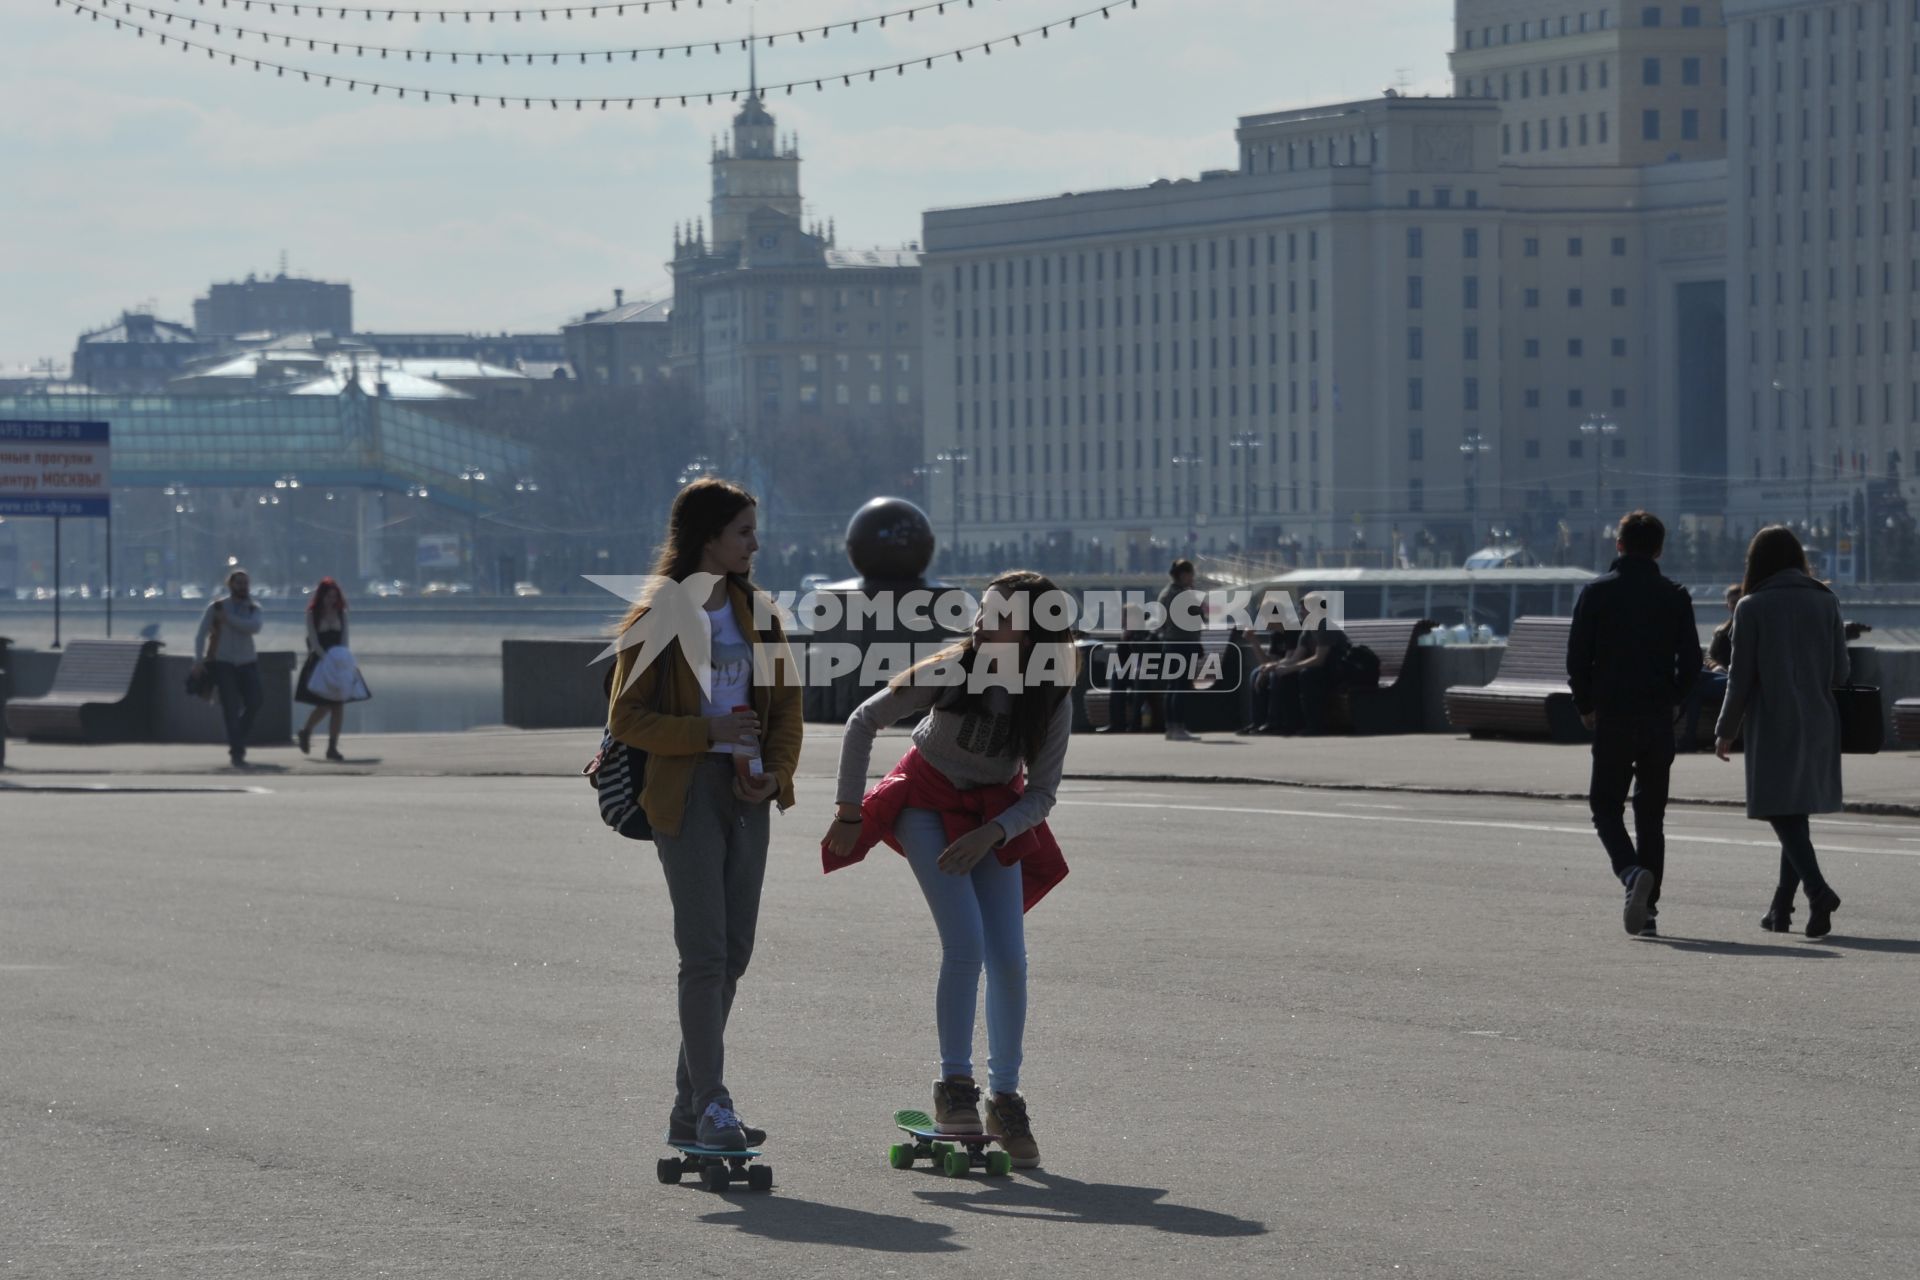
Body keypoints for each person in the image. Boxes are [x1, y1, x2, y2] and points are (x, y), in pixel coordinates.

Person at [822, 570, 1076, 1169]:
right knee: (965, 947)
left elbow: (1041, 793)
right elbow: (863, 721)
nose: (987, 624)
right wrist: (849, 811)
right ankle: (954, 1089)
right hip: (925, 800)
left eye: (1004, 617)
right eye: (985, 612)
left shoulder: (1051, 690)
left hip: (994, 812)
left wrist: (994, 832)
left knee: (1010, 957)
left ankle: (1004, 1098)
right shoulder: (951, 668)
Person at [606, 478, 803, 1152]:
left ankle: (690, 1107)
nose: (755, 543)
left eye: (753, 530)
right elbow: (627, 718)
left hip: (749, 793)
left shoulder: (761, 613)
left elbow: (787, 710)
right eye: (743, 531)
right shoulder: (658, 616)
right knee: (704, 955)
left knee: (735, 952)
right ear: (708, 537)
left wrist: (776, 773)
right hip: (686, 792)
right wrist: (710, 731)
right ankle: (713, 1103)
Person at [1567, 511, 1702, 938]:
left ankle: (1630, 876)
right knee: (1651, 815)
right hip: (1658, 717)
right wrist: (1676, 698)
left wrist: (1585, 703)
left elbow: (1577, 658)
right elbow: (1693, 662)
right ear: (1659, 549)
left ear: (1618, 544)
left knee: (1605, 806)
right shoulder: (1675, 595)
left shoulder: (1596, 593)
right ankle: (1648, 912)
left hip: (1613, 715)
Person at [1713, 525, 1851, 938]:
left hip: (1774, 721)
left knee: (1778, 809)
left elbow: (1739, 680)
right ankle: (1782, 909)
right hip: (1820, 720)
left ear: (1756, 563)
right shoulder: (1826, 601)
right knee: (1796, 813)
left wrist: (1725, 730)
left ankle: (1818, 890)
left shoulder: (1751, 606)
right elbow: (1841, 672)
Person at [192, 567, 266, 768]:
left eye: (245, 583)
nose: (243, 587)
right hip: (224, 664)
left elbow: (254, 627)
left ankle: (237, 736)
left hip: (247, 662)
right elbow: (200, 635)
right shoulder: (216, 608)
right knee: (230, 708)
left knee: (255, 701)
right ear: (230, 585)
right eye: (239, 583)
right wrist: (198, 661)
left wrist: (229, 620)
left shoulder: (253, 608)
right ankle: (237, 751)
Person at [1269, 593, 1350, 736]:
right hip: (1320, 670)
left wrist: (1290, 668)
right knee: (1283, 675)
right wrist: (1275, 667)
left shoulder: (1325, 626)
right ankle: (1290, 724)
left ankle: (1315, 725)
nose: (1300, 612)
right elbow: (1295, 658)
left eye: (1303, 609)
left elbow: (1319, 659)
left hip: (1338, 672)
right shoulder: (1307, 630)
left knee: (1307, 675)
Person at [1677, 584, 1740, 751]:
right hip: (1721, 676)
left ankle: (1688, 739)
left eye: (1738, 601)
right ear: (1727, 605)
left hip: (1738, 679)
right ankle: (1689, 738)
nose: (1735, 605)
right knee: (1696, 683)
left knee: (1695, 682)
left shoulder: (1748, 626)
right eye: (1732, 602)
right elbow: (1708, 656)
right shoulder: (1720, 631)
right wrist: (1716, 666)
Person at [295, 576, 351, 762]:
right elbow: (314, 641)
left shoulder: (342, 613)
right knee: (326, 704)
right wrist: (326, 659)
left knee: (338, 704)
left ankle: (332, 747)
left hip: (338, 660)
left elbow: (344, 639)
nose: (332, 600)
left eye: (335, 597)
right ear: (321, 597)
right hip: (319, 659)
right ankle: (306, 731)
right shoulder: (312, 614)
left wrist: (340, 659)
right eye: (328, 597)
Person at [1154, 559, 1206, 741]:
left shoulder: (1166, 593)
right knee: (1181, 686)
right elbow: (1198, 617)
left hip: (1170, 643)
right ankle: (1178, 727)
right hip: (1183, 644)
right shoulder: (1182, 595)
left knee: (1172, 686)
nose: (1193, 578)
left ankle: (1171, 727)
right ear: (1183, 575)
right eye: (1191, 574)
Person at [1238, 621, 1303, 735]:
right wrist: (1253, 640)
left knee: (1274, 675)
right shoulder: (1275, 634)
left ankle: (1273, 722)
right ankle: (1257, 722)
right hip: (1280, 668)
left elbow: (1290, 658)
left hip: (1295, 670)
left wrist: (1269, 667)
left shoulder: (1293, 630)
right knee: (1255, 674)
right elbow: (1266, 662)